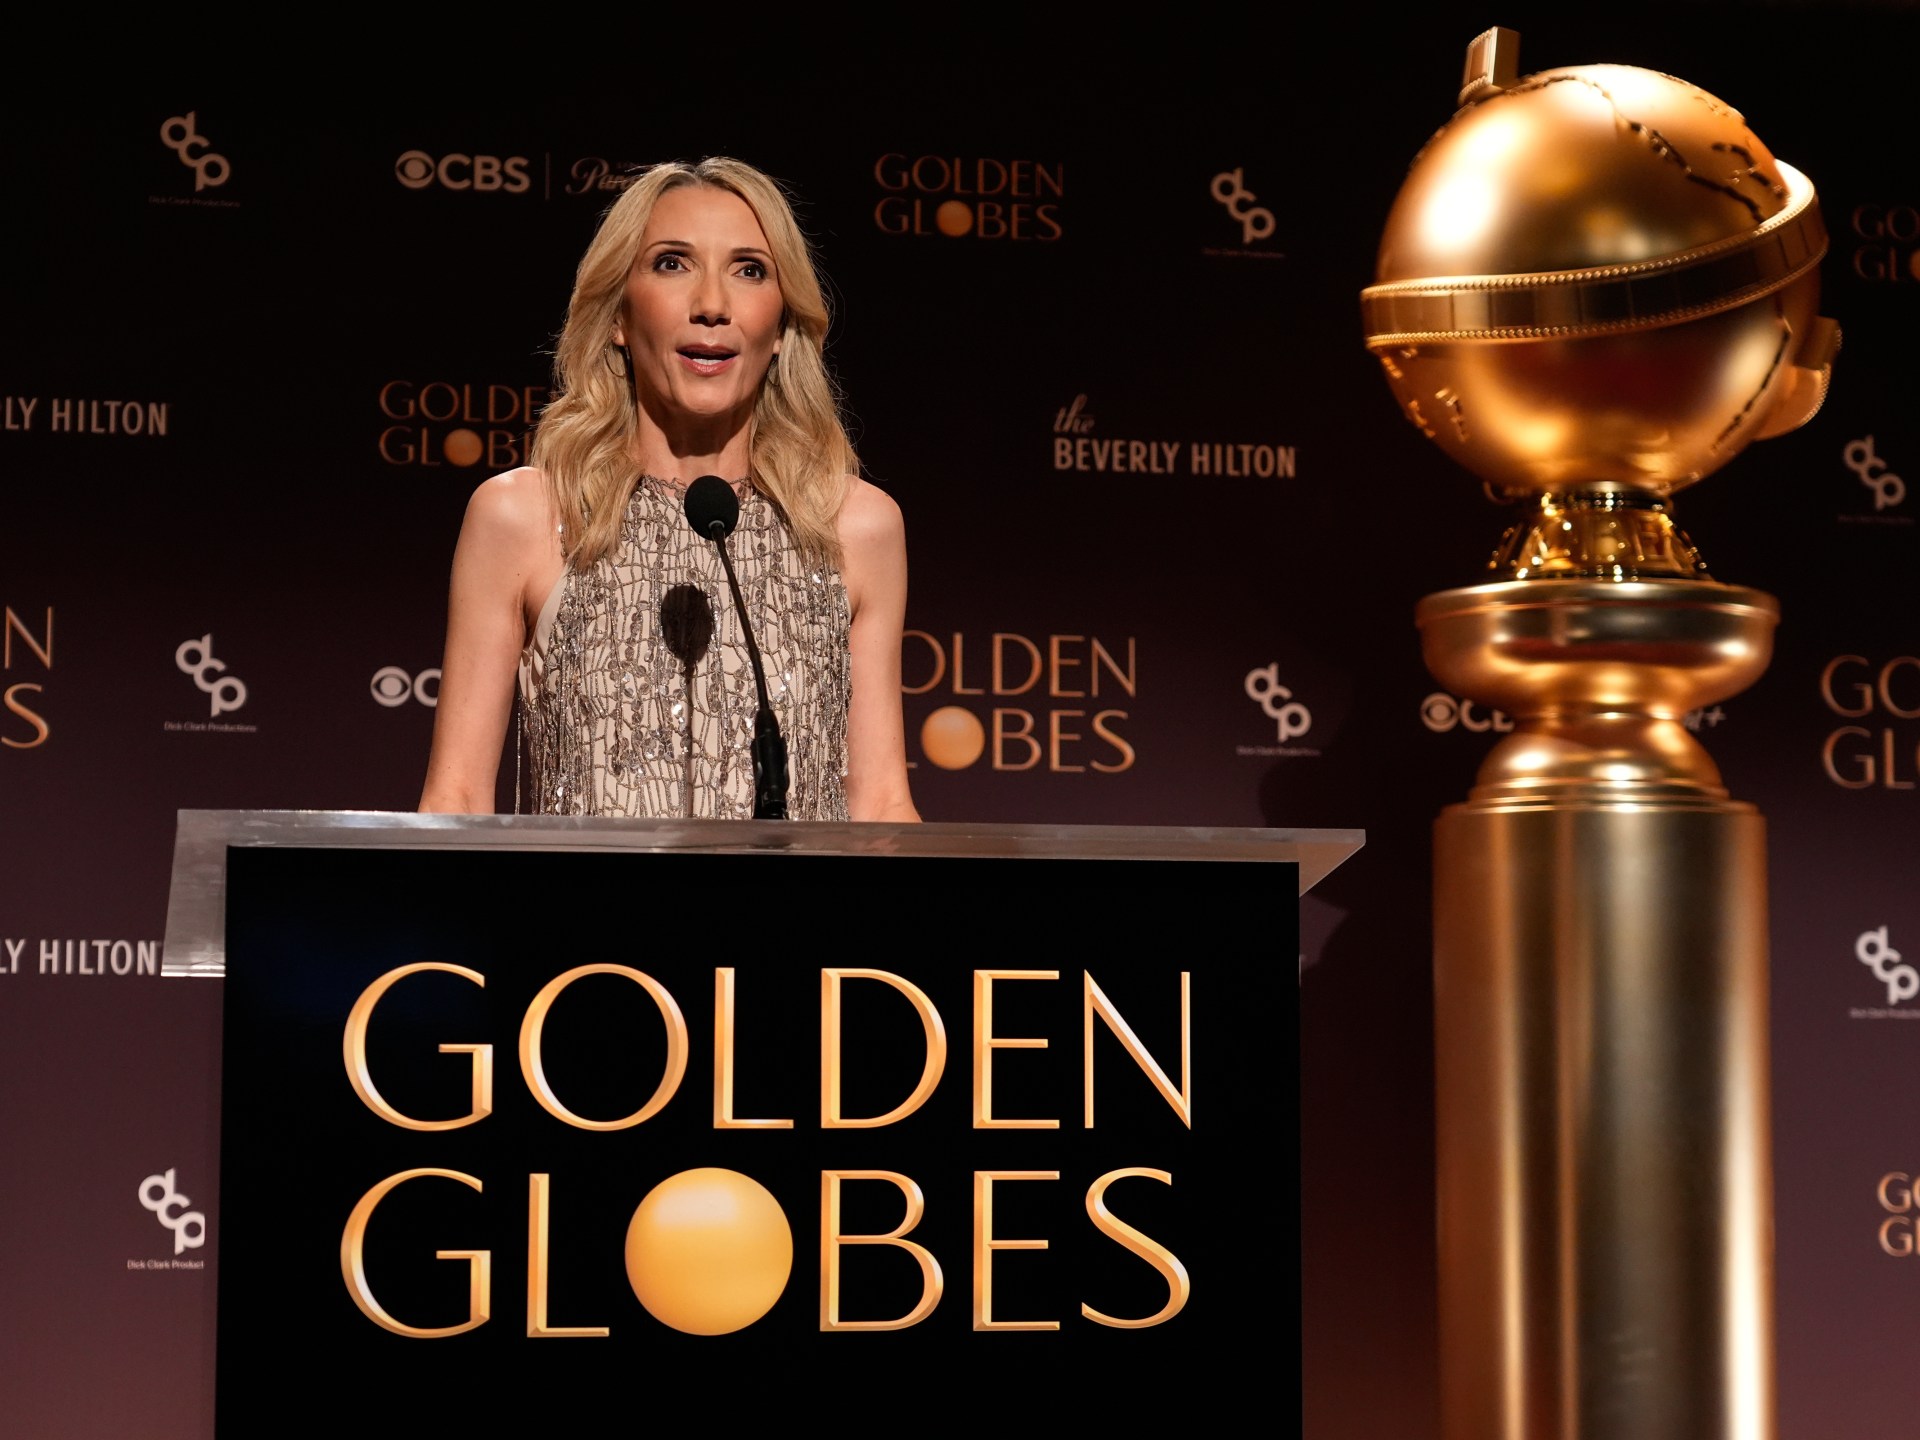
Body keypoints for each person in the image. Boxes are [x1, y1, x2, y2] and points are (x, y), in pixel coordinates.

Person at [417, 156, 920, 823]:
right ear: (618, 317)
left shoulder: (854, 526)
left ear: (780, 327)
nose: (712, 305)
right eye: (672, 263)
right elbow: (455, 800)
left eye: (749, 270)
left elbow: (882, 803)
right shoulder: (524, 516)